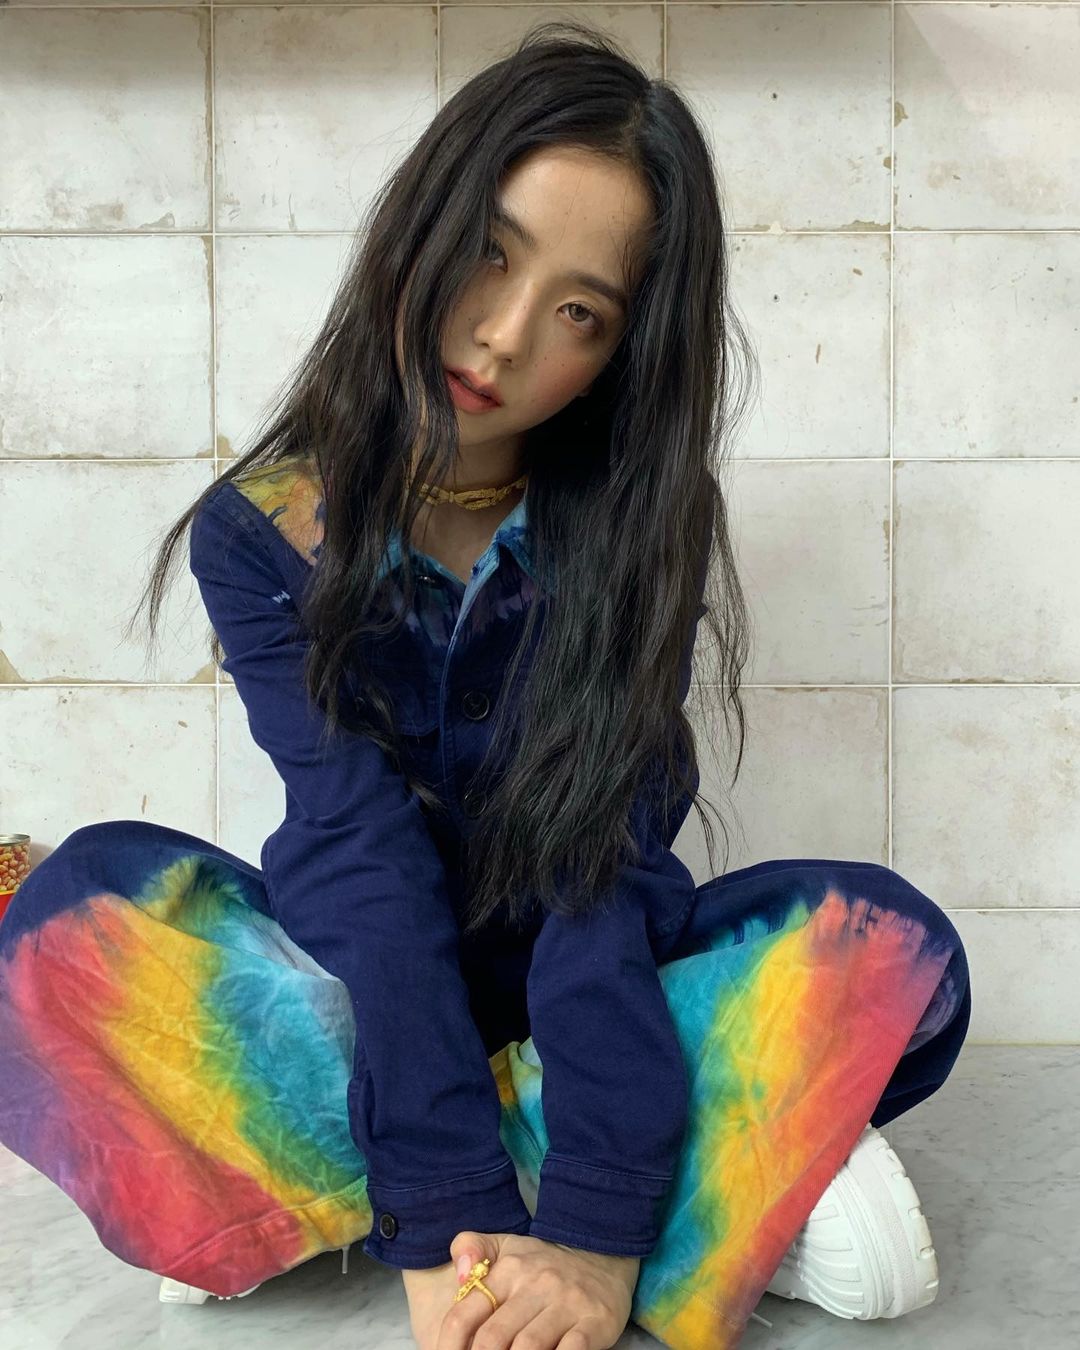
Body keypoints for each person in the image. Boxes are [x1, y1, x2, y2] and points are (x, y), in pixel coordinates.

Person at [0, 21, 970, 1350]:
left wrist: (596, 1235)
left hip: (595, 993)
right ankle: (712, 1186)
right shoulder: (260, 530)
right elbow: (360, 860)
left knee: (887, 943)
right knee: (71, 917)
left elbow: (601, 867)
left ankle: (292, 1190)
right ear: (426, 220)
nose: (504, 336)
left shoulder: (639, 520)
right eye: (491, 254)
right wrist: (443, 1210)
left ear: (621, 350)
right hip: (359, 995)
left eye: (580, 313)